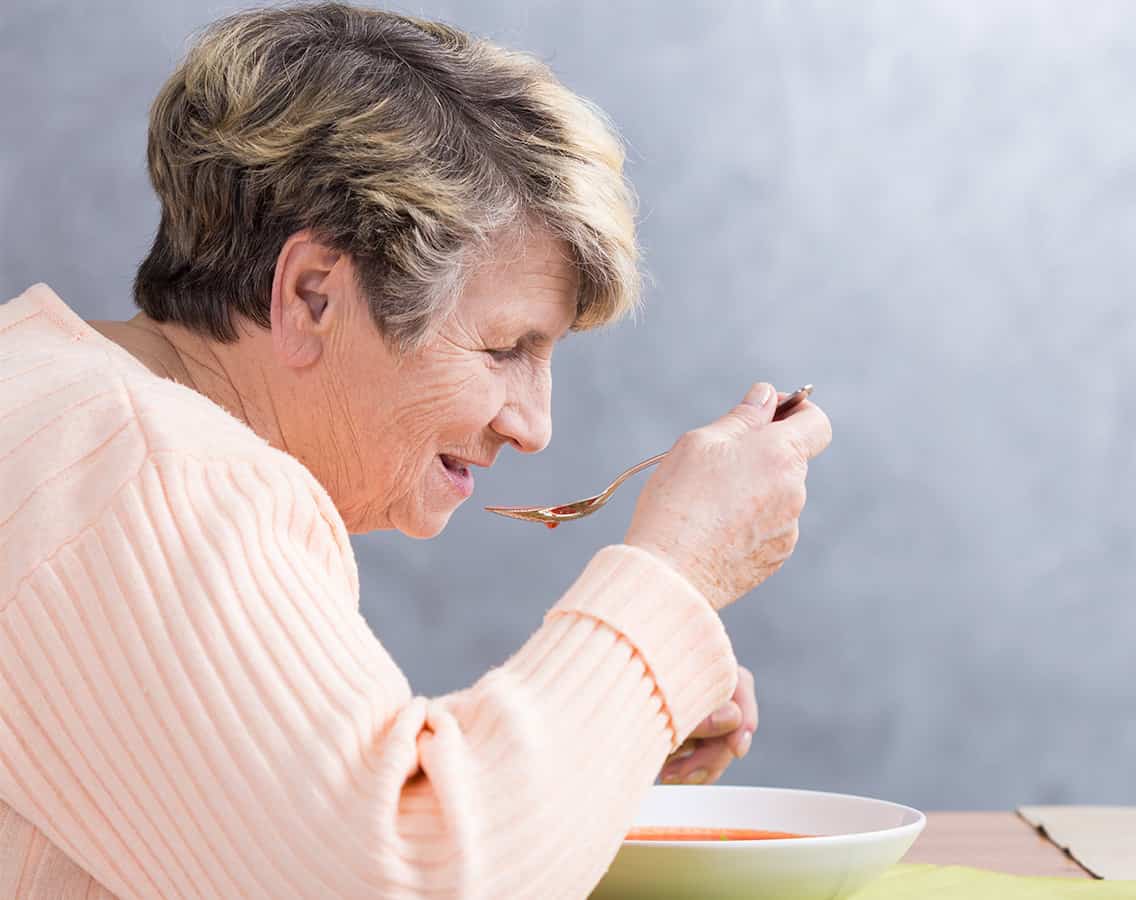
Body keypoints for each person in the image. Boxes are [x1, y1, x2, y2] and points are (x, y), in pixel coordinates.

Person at [0, 4, 831, 897]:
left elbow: (270, 828)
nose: (533, 426)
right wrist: (675, 577)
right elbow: (410, 872)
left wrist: (602, 739)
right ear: (313, 296)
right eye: (506, 347)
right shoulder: (162, 482)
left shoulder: (47, 399)